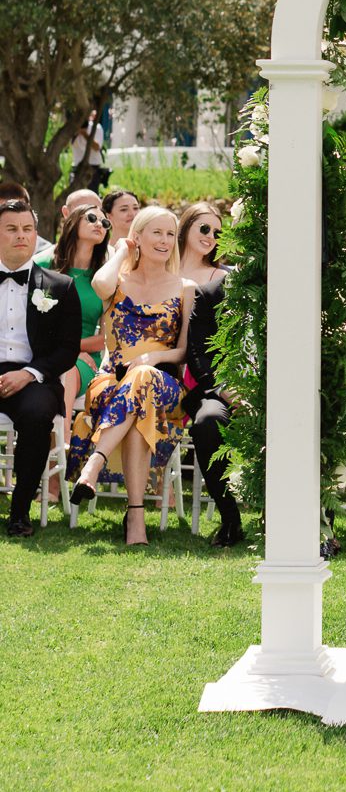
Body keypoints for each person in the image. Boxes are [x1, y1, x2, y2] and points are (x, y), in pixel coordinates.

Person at [67, 207, 194, 546]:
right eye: (156, 232)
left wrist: (153, 357)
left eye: (170, 234)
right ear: (138, 236)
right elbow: (99, 283)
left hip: (164, 382)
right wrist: (123, 250)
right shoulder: (117, 281)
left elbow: (184, 351)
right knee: (139, 404)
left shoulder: (185, 287)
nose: (165, 241)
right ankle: (135, 517)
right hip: (113, 384)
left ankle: (93, 465)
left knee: (143, 379)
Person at [0, 199, 81, 536]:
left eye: (28, 229)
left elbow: (67, 350)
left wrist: (29, 373)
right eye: (12, 229)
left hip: (35, 376)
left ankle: (19, 512)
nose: (22, 236)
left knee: (36, 416)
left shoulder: (60, 287)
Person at [33, 206, 109, 436]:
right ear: (73, 221)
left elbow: (105, 338)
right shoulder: (44, 265)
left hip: (84, 360)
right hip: (40, 351)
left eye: (105, 223)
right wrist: (66, 350)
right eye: (93, 218)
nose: (99, 224)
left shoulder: (103, 278)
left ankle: (62, 448)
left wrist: (71, 350)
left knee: (68, 370)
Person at [184, 274, 244, 546]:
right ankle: (230, 519)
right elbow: (197, 354)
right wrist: (226, 390)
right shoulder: (209, 293)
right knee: (207, 421)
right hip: (225, 392)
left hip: (279, 392)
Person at [178, 202, 226, 287]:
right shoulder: (161, 266)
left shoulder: (219, 277)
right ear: (187, 226)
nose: (211, 236)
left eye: (217, 233)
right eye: (205, 228)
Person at [71, 109, 106, 193]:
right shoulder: (71, 128)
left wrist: (84, 134)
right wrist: (75, 133)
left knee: (92, 194)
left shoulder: (96, 128)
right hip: (77, 165)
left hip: (92, 166)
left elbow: (97, 147)